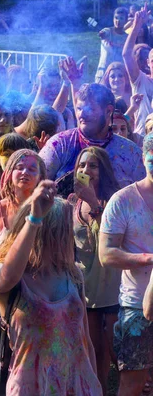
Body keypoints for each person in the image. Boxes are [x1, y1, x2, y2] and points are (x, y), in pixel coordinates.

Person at [0, 181, 101, 395]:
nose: (70, 238)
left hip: (77, 384)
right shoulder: (3, 274)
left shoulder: (73, 274)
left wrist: (95, 385)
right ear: (51, 234)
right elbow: (6, 278)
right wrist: (35, 218)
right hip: (32, 386)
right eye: (65, 231)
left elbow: (85, 340)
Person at [99, 132, 153, 395]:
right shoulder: (123, 200)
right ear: (143, 158)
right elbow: (106, 254)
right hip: (136, 307)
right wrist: (149, 259)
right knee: (133, 382)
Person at [68, 146, 121, 395]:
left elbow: (113, 241)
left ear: (103, 170)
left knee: (116, 352)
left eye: (92, 165)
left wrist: (93, 202)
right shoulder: (72, 205)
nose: (86, 170)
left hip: (112, 288)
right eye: (81, 165)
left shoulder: (116, 201)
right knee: (93, 350)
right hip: (85, 289)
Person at [39, 83, 145, 188]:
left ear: (108, 111)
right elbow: (34, 186)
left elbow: (145, 194)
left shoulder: (131, 152)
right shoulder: (60, 144)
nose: (82, 115)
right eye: (79, 108)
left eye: (90, 109)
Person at [0, 149, 45, 249]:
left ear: (40, 177)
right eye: (19, 168)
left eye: (32, 169)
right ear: (9, 173)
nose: (25, 172)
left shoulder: (47, 210)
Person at [123, 5, 153, 135]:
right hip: (141, 138)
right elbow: (126, 54)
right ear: (148, 63)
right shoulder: (140, 80)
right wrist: (136, 26)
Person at [96, 7, 129, 83]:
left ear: (126, 20)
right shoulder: (108, 31)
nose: (118, 21)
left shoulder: (127, 37)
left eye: (121, 18)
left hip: (118, 76)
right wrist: (102, 34)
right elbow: (103, 33)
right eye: (116, 18)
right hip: (103, 73)